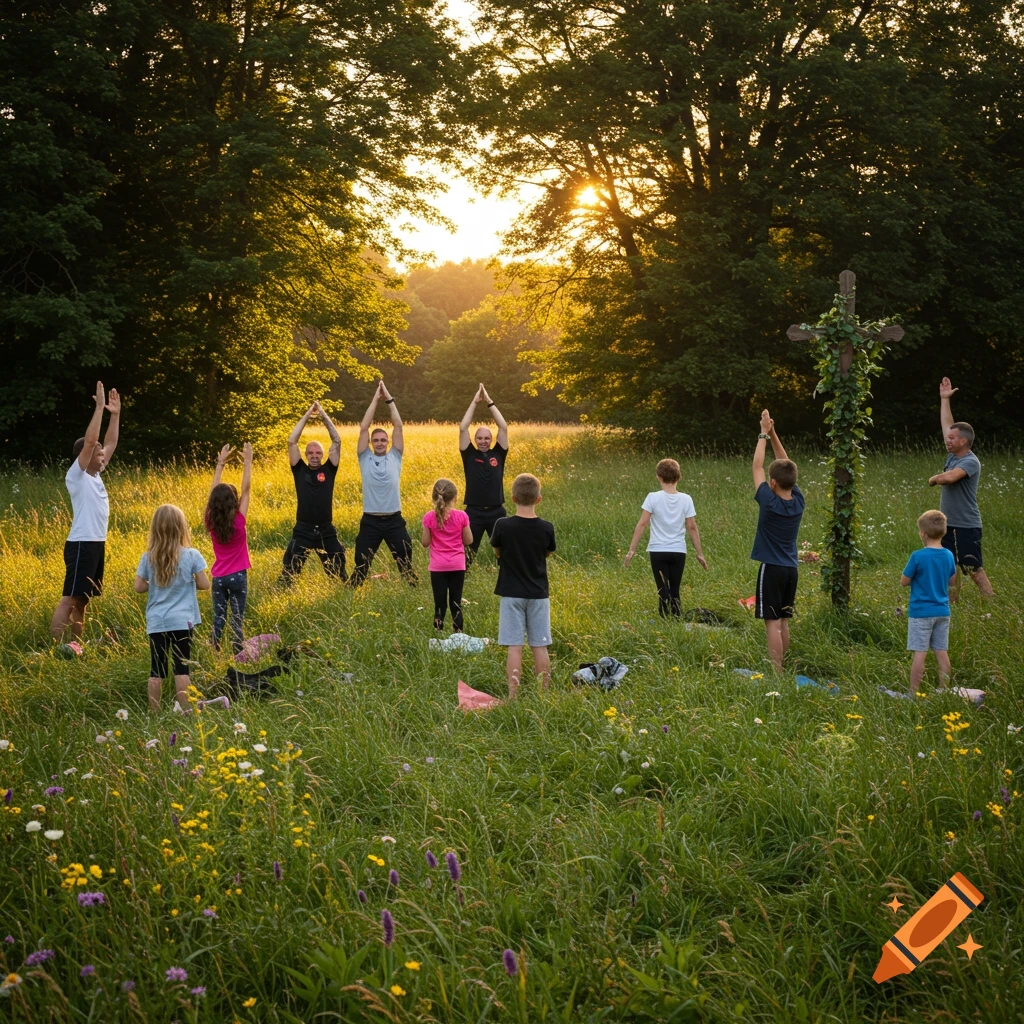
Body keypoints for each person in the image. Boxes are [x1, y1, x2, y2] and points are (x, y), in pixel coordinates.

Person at [50, 381, 121, 641]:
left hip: (95, 544)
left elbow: (110, 441)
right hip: (81, 544)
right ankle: (56, 647)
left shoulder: (95, 475)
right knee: (69, 597)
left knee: (83, 600)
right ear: (85, 455)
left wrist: (115, 414)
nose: (103, 454)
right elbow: (92, 440)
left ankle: (76, 644)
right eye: (99, 452)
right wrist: (99, 409)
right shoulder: (77, 475)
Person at [134, 504, 210, 713]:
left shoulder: (148, 557)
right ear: (181, 528)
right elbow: (205, 584)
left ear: (155, 528)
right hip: (182, 621)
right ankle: (185, 710)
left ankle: (154, 712)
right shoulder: (192, 555)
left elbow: (139, 587)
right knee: (181, 668)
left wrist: (155, 583)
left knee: (156, 669)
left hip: (158, 622)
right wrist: (190, 579)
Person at [490, 473, 556, 698]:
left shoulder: (502, 525)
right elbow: (547, 552)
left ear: (513, 498)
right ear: (539, 499)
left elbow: (497, 550)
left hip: (511, 594)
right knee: (540, 645)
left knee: (514, 646)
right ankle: (542, 694)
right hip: (538, 594)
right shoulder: (547, 528)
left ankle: (513, 695)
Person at [928, 377, 993, 600]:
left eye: (952, 438)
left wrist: (935, 478)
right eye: (948, 438)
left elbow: (951, 478)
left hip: (966, 524)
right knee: (950, 567)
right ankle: (952, 604)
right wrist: (944, 400)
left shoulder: (970, 462)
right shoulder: (953, 454)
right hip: (949, 523)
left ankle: (990, 601)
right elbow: (948, 425)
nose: (948, 440)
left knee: (973, 568)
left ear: (964, 441)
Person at [750, 410, 805, 673]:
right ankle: (784, 667)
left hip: (771, 568)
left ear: (772, 483)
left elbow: (757, 466)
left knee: (771, 622)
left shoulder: (769, 502)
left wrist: (762, 432)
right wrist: (772, 434)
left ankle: (777, 671)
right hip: (791, 570)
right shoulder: (797, 501)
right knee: (784, 621)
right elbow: (786, 464)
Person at [351, 381, 416, 586]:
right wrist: (374, 399)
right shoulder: (364, 457)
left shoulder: (395, 456)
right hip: (370, 520)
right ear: (371, 443)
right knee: (361, 565)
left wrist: (388, 398)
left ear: (388, 442)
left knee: (405, 563)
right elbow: (363, 427)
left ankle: (412, 589)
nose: (380, 442)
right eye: (376, 440)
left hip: (394, 520)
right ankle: (353, 589)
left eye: (383, 440)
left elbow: (398, 425)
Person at [624, 458, 708, 617]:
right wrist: (700, 553)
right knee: (675, 590)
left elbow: (642, 524)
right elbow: (692, 527)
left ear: (659, 477)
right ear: (678, 477)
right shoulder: (686, 499)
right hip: (678, 551)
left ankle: (664, 622)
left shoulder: (652, 498)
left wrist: (631, 550)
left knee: (663, 590)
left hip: (658, 551)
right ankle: (677, 620)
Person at [281, 401, 346, 584]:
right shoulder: (299, 469)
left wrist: (323, 415)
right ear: (306, 455)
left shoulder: (329, 469)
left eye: (318, 452)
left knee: (339, 574)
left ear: (323, 454)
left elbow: (337, 441)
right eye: (311, 453)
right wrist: (308, 414)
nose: (315, 455)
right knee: (289, 574)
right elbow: (291, 441)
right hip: (303, 529)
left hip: (326, 529)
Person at [899, 510, 957, 695]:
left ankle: (913, 693)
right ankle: (944, 691)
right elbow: (952, 581)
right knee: (941, 652)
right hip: (942, 611)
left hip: (920, 613)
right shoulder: (948, 555)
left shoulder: (917, 556)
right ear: (943, 532)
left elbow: (904, 581)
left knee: (919, 654)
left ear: (922, 533)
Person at [205, 442, 253, 655]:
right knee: (237, 619)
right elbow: (247, 489)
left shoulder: (211, 520)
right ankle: (237, 652)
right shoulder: (239, 520)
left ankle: (214, 650)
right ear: (234, 501)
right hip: (238, 577)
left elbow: (212, 494)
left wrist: (220, 464)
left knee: (219, 617)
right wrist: (248, 462)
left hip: (219, 577)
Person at [459, 383, 509, 565]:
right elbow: (463, 428)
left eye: (486, 438)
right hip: (474, 512)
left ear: (491, 439)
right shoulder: (469, 454)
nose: (483, 441)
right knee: (466, 556)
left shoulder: (499, 453)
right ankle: (461, 586)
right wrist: (474, 402)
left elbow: (503, 427)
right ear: (475, 439)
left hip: (497, 511)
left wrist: (489, 402)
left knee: (505, 554)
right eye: (479, 438)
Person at [421, 479, 473, 631]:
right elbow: (468, 540)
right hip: (457, 565)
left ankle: (438, 632)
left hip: (438, 567)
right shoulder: (462, 516)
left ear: (433, 497)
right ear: (455, 498)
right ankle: (458, 633)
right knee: (456, 602)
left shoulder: (429, 517)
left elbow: (425, 542)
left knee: (439, 602)